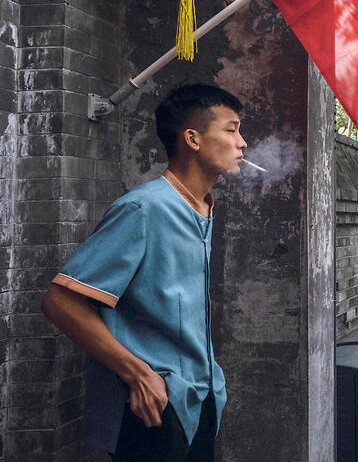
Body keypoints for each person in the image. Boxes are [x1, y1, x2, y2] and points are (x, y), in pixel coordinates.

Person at [40, 84, 246, 461]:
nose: (242, 142)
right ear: (193, 139)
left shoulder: (202, 207)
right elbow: (60, 301)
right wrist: (138, 373)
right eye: (231, 130)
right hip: (154, 409)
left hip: (201, 401)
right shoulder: (143, 209)